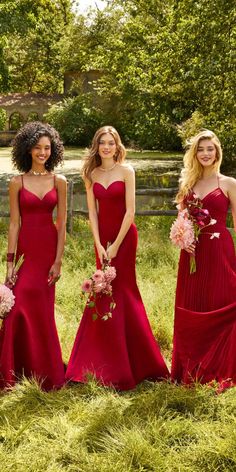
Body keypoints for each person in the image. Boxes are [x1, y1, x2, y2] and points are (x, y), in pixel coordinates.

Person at [66, 125, 169, 390]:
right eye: (102, 142)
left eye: (111, 142)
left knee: (124, 291)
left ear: (117, 145)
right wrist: (99, 244)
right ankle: (99, 359)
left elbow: (131, 211)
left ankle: (137, 361)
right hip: (102, 240)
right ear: (96, 146)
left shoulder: (126, 171)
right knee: (103, 292)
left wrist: (115, 246)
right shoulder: (91, 173)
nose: (107, 147)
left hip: (124, 238)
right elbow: (92, 214)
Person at [0, 121, 67, 391]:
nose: (42, 152)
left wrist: (58, 260)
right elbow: (14, 224)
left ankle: (45, 371)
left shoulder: (59, 181)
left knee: (42, 312)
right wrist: (9, 264)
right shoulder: (17, 182)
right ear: (28, 149)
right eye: (38, 147)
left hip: (48, 250)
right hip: (26, 251)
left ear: (54, 150)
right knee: (16, 311)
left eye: (47, 148)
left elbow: (61, 224)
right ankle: (12, 371)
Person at [171, 129, 236, 390]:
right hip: (193, 254)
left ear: (217, 152)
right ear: (195, 154)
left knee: (222, 301)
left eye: (210, 149)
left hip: (220, 250)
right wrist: (183, 239)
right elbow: (183, 219)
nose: (206, 153)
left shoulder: (229, 183)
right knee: (195, 303)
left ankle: (221, 364)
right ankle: (192, 365)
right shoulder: (189, 184)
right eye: (201, 149)